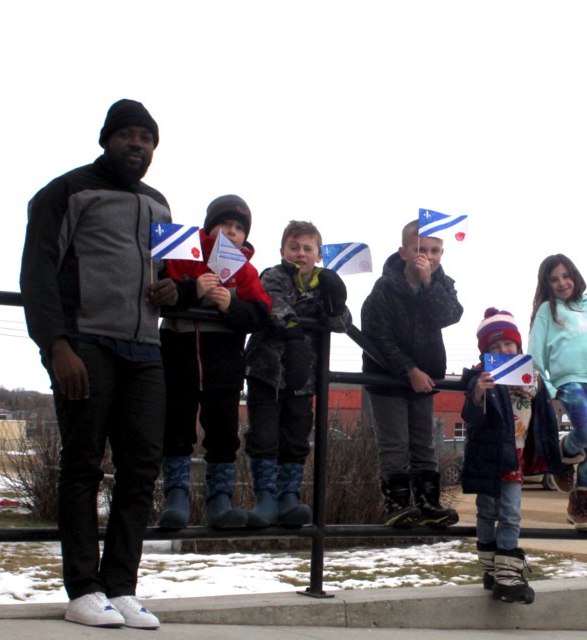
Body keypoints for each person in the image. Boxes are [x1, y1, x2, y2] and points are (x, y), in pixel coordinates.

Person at [19, 99, 175, 629]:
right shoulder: (66, 192)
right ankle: (83, 588)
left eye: (147, 138)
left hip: (145, 351)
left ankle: (121, 587)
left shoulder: (159, 204)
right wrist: (55, 346)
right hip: (84, 344)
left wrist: (171, 288)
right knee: (83, 464)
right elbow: (37, 273)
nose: (138, 144)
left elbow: (170, 270)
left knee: (140, 470)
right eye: (128, 134)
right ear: (107, 138)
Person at [158, 195, 272, 530]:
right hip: (178, 361)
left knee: (223, 434)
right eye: (225, 225)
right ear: (210, 228)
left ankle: (219, 502)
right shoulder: (183, 253)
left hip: (224, 368)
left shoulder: (246, 270)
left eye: (239, 228)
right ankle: (175, 497)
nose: (232, 232)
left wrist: (230, 307)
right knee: (176, 430)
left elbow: (260, 313)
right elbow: (161, 291)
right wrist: (192, 289)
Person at [244, 221, 350, 528]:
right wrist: (292, 328)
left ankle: (289, 498)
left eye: (307, 248)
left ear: (318, 254)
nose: (300, 254)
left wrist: (335, 302)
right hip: (267, 372)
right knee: (263, 436)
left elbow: (342, 323)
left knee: (296, 439)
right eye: (294, 247)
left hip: (303, 380)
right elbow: (273, 304)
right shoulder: (273, 276)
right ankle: (265, 499)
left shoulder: (323, 284)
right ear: (282, 251)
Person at [361, 219, 463, 527]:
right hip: (389, 379)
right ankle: (398, 505)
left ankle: (429, 504)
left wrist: (429, 283)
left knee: (424, 443)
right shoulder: (385, 287)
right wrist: (409, 370)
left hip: (426, 380)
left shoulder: (442, 283)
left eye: (434, 250)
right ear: (403, 252)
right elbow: (377, 336)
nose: (427, 256)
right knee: (395, 444)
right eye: (420, 249)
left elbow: (450, 315)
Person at [460, 308, 563, 604]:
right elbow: (470, 416)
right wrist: (479, 393)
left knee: (511, 514)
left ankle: (507, 575)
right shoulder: (481, 377)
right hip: (491, 457)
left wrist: (551, 452)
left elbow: (546, 415)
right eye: (495, 347)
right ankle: (492, 570)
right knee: (487, 512)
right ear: (486, 352)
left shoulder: (533, 378)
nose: (503, 350)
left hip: (516, 458)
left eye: (508, 344)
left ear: (518, 346)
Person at [526, 254, 587, 531]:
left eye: (566, 276)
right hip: (569, 381)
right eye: (554, 279)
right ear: (547, 284)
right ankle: (565, 451)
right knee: (585, 432)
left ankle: (579, 505)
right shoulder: (546, 311)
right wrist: (548, 386)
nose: (562, 283)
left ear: (574, 276)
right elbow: (535, 354)